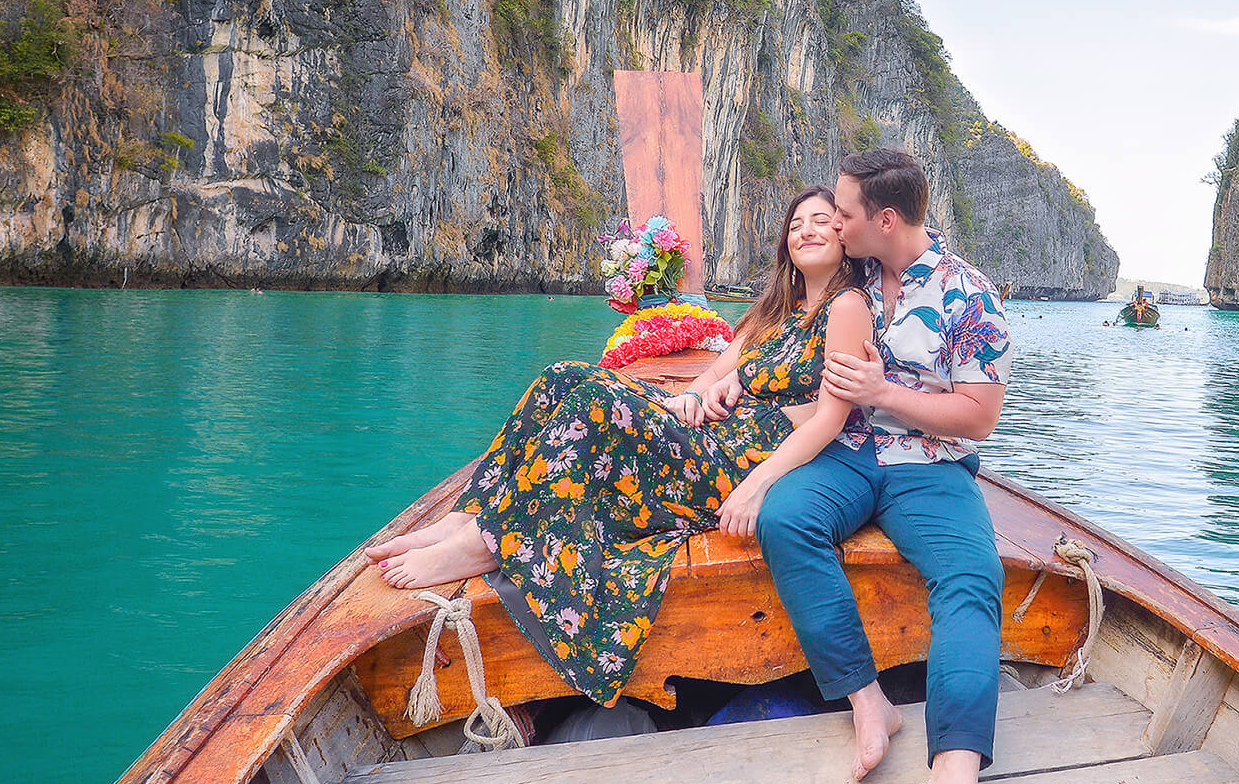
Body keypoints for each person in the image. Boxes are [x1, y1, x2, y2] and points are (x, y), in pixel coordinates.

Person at [364, 187, 870, 706]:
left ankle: (484, 543)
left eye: (821, 220)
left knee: (596, 407)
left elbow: (827, 421)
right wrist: (697, 394)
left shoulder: (846, 308)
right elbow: (714, 371)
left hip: (743, 459)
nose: (805, 230)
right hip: (715, 431)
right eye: (795, 223)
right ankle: (471, 513)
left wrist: (756, 486)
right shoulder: (776, 312)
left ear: (845, 232)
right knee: (563, 378)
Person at [752, 147, 1021, 784]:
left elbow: (978, 418)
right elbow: (776, 325)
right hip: (844, 454)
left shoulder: (971, 296)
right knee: (785, 520)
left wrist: (885, 393)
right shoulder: (853, 276)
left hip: (929, 466)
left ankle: (955, 779)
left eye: (843, 212)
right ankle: (867, 699)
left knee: (972, 578)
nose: (833, 223)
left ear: (886, 219)